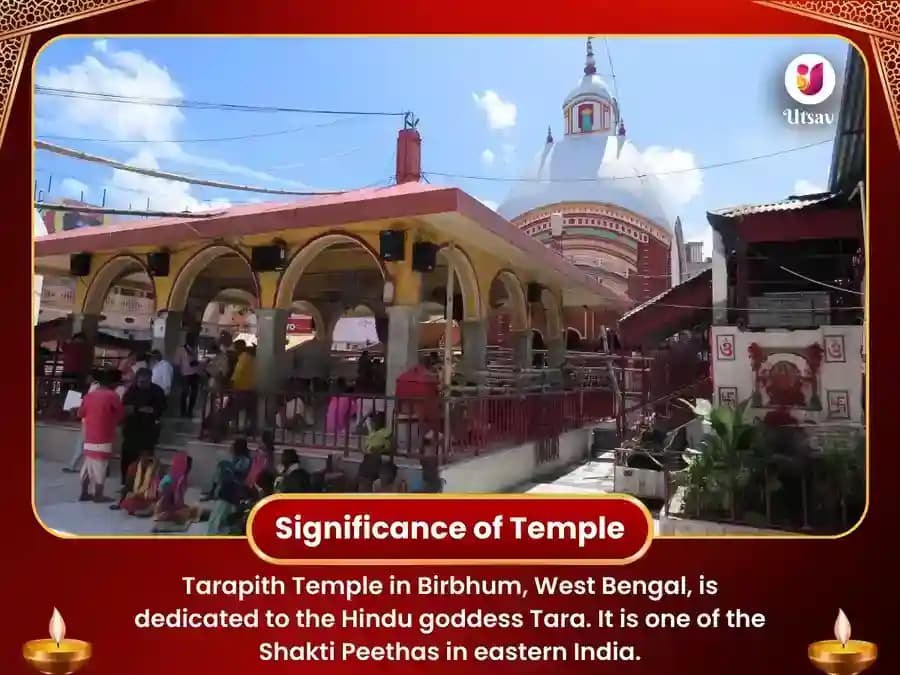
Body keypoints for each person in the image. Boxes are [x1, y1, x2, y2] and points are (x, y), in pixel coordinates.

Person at [77, 369, 124, 502]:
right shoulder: (112, 396)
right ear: (113, 383)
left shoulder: (89, 396)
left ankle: (84, 492)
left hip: (89, 435)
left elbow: (80, 413)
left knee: (88, 464)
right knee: (100, 466)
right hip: (104, 436)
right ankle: (98, 495)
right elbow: (120, 414)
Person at [119, 368, 167, 488]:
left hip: (148, 430)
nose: (142, 384)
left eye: (145, 382)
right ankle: (127, 483)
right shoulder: (131, 390)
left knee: (146, 458)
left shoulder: (157, 391)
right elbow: (125, 408)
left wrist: (148, 411)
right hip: (132, 429)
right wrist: (140, 409)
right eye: (141, 382)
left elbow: (160, 409)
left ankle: (144, 483)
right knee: (128, 457)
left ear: (150, 379)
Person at [206, 438, 253, 535]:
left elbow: (237, 475)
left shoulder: (245, 460)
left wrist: (226, 468)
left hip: (231, 493)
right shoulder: (236, 458)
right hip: (227, 492)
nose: (232, 448)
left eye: (234, 446)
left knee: (220, 520)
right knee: (219, 519)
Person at [152, 453, 199, 533]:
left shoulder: (180, 477)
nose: (189, 468)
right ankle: (165, 518)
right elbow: (167, 501)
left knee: (194, 510)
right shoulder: (172, 480)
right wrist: (180, 509)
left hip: (172, 507)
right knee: (189, 513)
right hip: (166, 508)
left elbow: (179, 499)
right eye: (188, 466)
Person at [116, 448, 160, 516]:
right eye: (143, 457)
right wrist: (122, 499)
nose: (145, 459)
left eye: (147, 457)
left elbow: (160, 487)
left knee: (159, 503)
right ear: (139, 458)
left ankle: (148, 510)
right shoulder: (134, 467)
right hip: (137, 496)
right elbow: (128, 485)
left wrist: (155, 468)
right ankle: (145, 510)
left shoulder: (156, 467)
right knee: (128, 502)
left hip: (151, 497)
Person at [358, 411, 392, 491]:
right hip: (374, 466)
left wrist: (365, 417)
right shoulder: (384, 433)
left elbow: (358, 428)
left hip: (371, 467)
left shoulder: (373, 433)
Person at [229, 341, 256, 434]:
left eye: (235, 349)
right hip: (250, 388)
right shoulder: (249, 358)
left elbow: (237, 374)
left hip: (242, 389)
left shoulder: (243, 358)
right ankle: (248, 429)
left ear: (239, 348)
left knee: (234, 410)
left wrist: (230, 384)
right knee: (248, 412)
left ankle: (236, 429)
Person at [174, 333, 201, 418]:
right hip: (185, 374)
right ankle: (183, 412)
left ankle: (190, 411)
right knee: (184, 393)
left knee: (194, 394)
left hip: (195, 374)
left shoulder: (195, 349)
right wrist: (178, 376)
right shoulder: (181, 349)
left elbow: (195, 362)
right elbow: (177, 364)